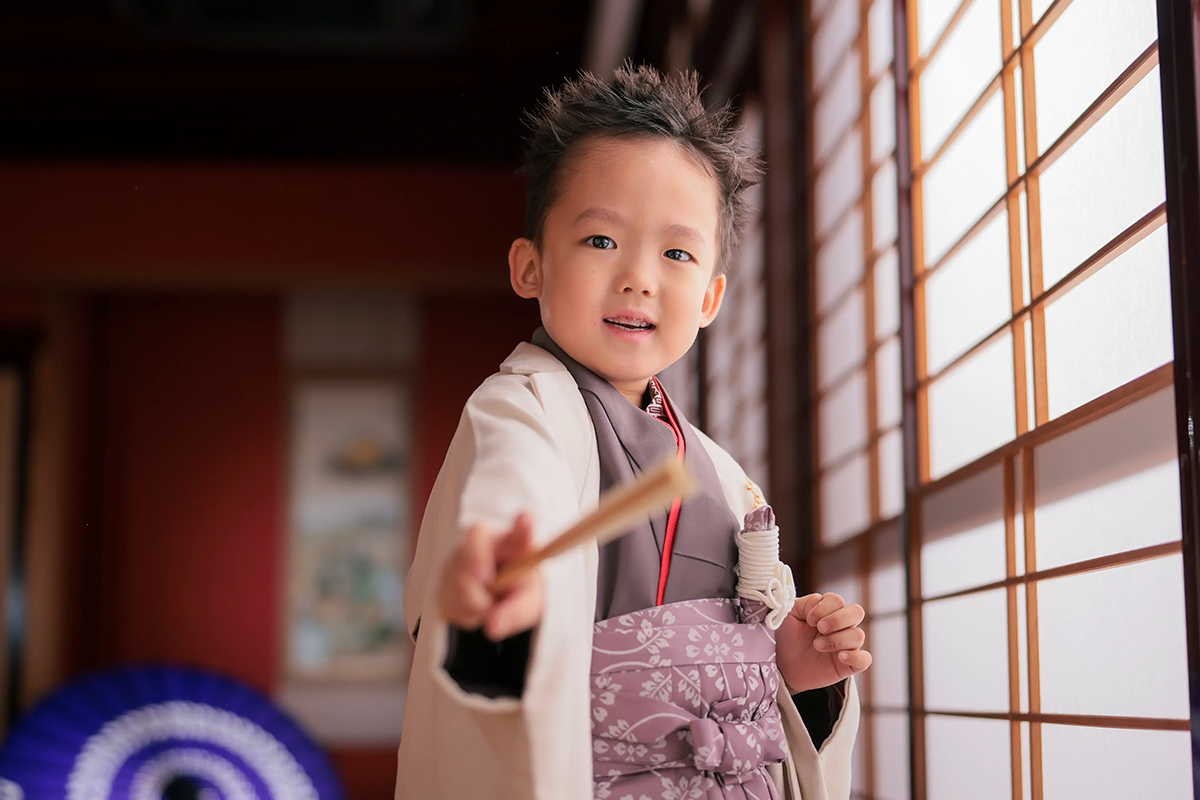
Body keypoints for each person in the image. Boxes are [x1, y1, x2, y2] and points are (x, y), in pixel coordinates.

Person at [396, 64, 871, 800]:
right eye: (599, 240)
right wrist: (497, 585)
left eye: (677, 253)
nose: (639, 278)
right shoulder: (521, 413)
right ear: (531, 266)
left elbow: (749, 678)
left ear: (711, 296)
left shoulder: (722, 471)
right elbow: (508, 493)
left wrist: (788, 668)